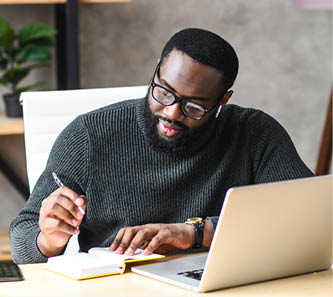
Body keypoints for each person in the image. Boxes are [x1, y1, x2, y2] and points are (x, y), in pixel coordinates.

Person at [10, 28, 313, 264]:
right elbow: (22, 239)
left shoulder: (254, 134)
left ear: (223, 100)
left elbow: (309, 216)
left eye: (194, 106)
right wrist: (48, 239)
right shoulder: (88, 136)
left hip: (220, 286)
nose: (171, 113)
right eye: (164, 92)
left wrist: (192, 233)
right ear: (156, 70)